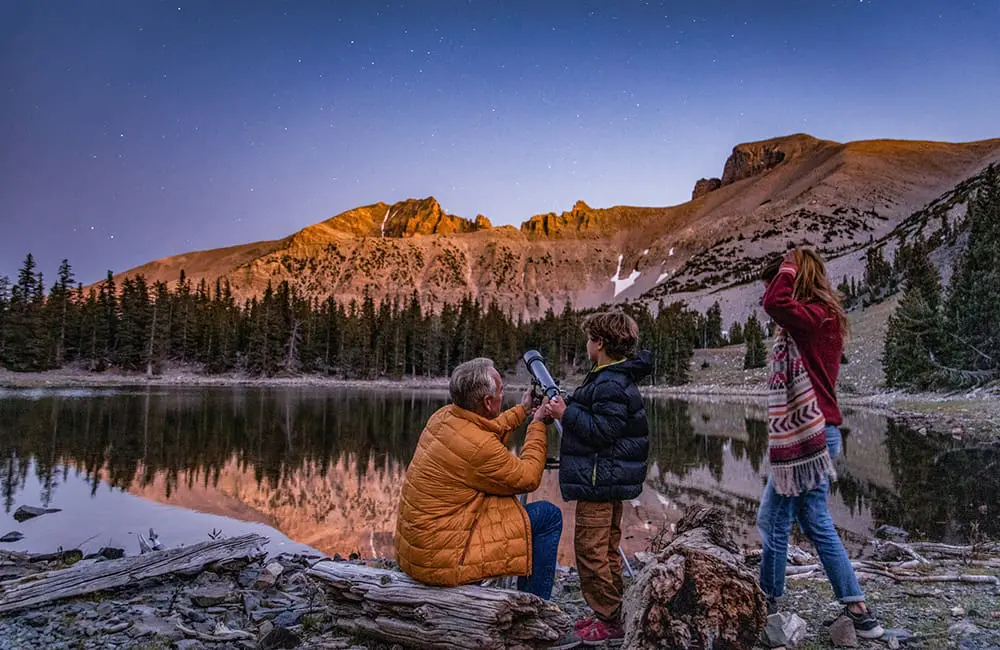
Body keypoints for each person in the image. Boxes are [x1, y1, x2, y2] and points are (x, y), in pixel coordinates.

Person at [756, 249, 883, 639]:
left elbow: (774, 302)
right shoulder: (821, 317)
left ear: (798, 279)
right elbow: (775, 303)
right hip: (820, 432)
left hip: (808, 436)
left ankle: (767, 603)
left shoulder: (811, 317)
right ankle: (860, 613)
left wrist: (790, 262)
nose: (774, 290)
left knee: (772, 519)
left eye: (780, 280)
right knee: (816, 521)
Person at [394, 357, 562, 600]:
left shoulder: (444, 417)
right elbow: (528, 478)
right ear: (487, 402)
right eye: (501, 391)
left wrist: (523, 411)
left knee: (506, 504)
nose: (503, 395)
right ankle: (535, 607)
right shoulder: (479, 447)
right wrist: (537, 426)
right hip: (441, 558)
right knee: (548, 516)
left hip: (420, 549)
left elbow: (483, 431)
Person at [547, 311, 652, 646]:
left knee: (590, 551)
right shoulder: (609, 377)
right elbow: (598, 413)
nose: (587, 344)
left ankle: (608, 619)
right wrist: (571, 403)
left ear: (601, 343)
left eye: (590, 338)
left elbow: (602, 430)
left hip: (598, 482)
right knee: (606, 549)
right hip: (607, 481)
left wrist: (565, 413)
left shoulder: (608, 382)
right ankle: (612, 613)